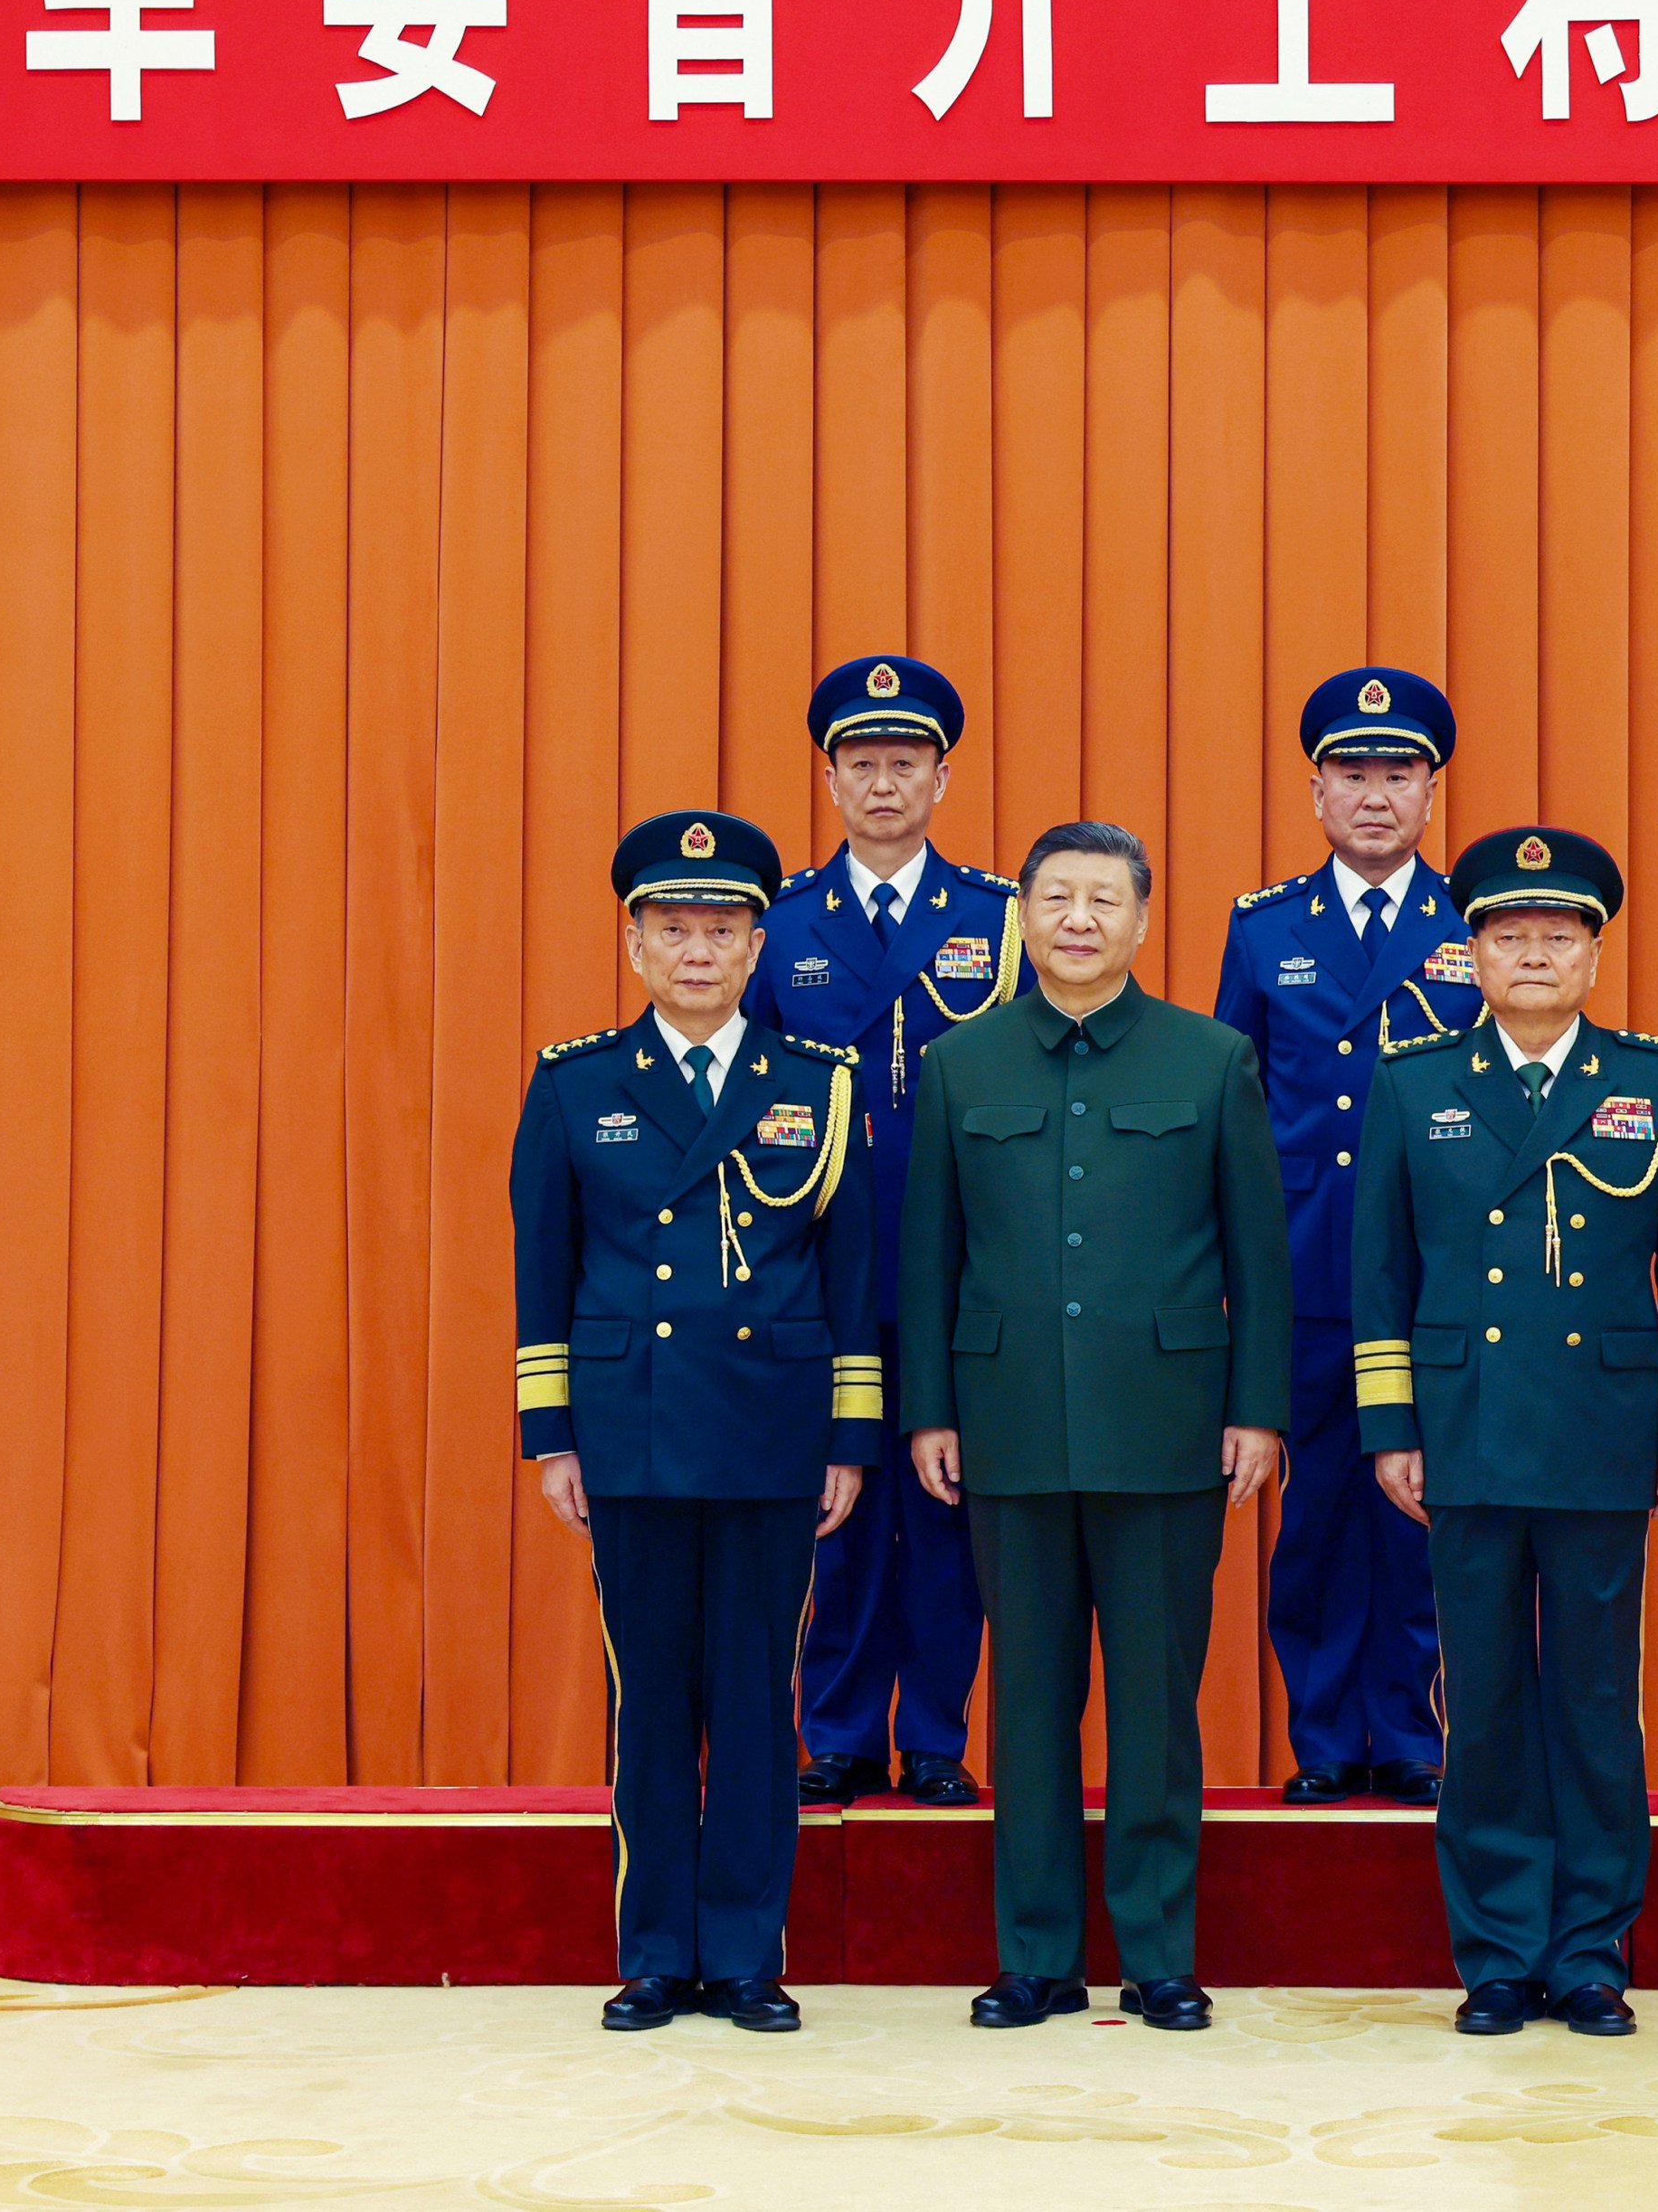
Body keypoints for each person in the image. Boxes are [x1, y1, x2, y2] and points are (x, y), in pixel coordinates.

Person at [898, 821, 1292, 2034]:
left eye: (1103, 899)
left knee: (1158, 1708)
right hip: (1008, 1422)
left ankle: (1160, 1955)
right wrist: (927, 1409)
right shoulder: (962, 1062)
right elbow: (929, 1256)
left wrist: (1258, 1412)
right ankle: (1037, 1957)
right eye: (1056, 896)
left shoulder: (1208, 1056)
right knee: (1025, 1703)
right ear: (1021, 913)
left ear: (1140, 920)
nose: (1079, 918)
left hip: (1168, 1428)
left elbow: (1257, 1258)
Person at [1350, 826, 1658, 2039]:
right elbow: (1380, 1269)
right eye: (1508, 934)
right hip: (1465, 1423)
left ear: (1593, 952)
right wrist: (1391, 1420)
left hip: (1605, 1425)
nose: (1533, 953)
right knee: (1489, 1695)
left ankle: (1593, 1947)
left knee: (1597, 1699)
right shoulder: (1414, 1081)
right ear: (1472, 953)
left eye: (1558, 934)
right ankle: (1501, 1949)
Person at [512, 810, 875, 2036]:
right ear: (635, 943)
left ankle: (745, 1954)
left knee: (756, 1699)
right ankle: (656, 1951)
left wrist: (850, 1436)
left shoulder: (815, 1085)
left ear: (759, 941)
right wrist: (552, 1431)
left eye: (724, 928)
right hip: (635, 1429)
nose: (701, 950)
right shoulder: (576, 1083)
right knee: (652, 1696)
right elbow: (544, 1267)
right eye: (676, 928)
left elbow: (852, 1276)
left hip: (774, 1432)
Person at [748, 654, 1021, 1811]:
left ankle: (938, 1735)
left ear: (941, 778)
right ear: (829, 778)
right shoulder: (784, 921)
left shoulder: (998, 917)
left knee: (948, 1508)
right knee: (839, 1506)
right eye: (860, 763)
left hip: (962, 1263)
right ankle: (843, 1731)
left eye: (904, 762)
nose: (882, 782)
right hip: (822, 1260)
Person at [1215, 666, 1467, 1809]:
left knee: (1419, 1511)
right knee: (1316, 1513)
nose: (1375, 796)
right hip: (1305, 1266)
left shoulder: (1476, 922)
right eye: (1352, 774)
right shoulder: (1266, 928)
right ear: (1316, 791)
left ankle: (1408, 1734)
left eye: (1397, 775)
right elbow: (1234, 1104)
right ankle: (1322, 1737)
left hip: (1438, 1273)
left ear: (1430, 792)